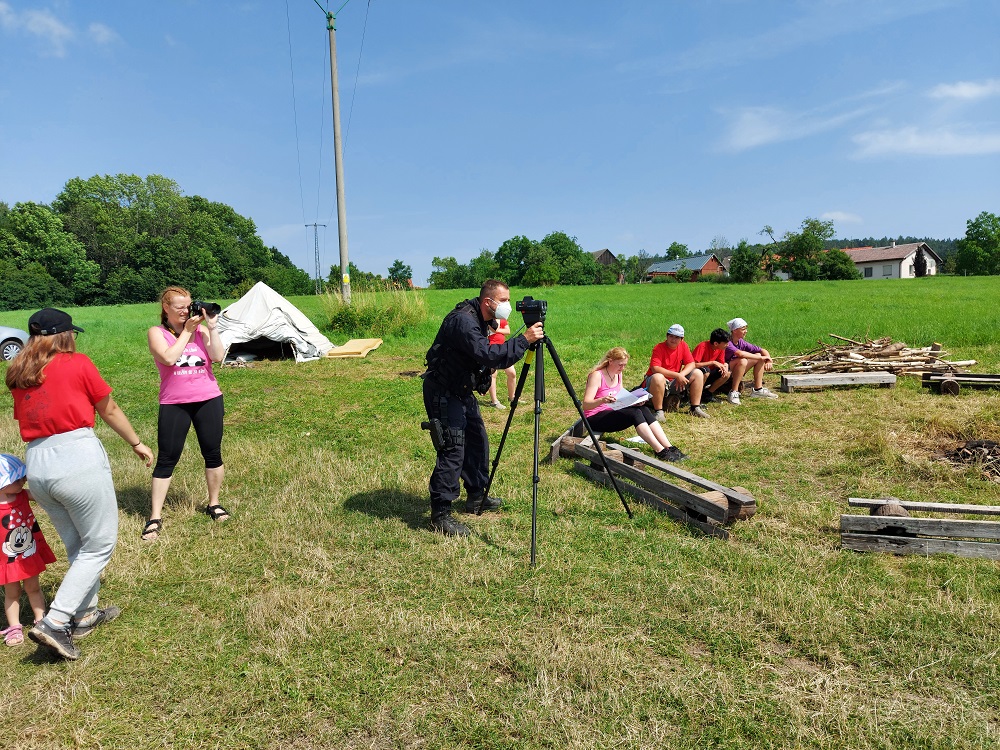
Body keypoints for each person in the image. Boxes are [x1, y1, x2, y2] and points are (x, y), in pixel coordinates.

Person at [6, 308, 154, 660]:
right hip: (76, 457)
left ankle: (85, 614)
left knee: (77, 542)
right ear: (64, 335)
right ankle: (55, 622)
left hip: (38, 461)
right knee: (99, 544)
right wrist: (135, 442)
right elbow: (109, 408)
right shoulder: (77, 362)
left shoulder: (18, 372)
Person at [422, 279, 544, 537]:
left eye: (509, 300)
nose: (508, 305)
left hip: (462, 389)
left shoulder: (482, 317)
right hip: (443, 389)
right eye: (504, 301)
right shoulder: (464, 321)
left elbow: (486, 355)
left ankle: (477, 496)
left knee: (477, 441)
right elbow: (489, 355)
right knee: (453, 447)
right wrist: (523, 340)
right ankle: (440, 513)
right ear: (488, 301)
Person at [144, 286, 228, 542]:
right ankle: (155, 516)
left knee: (212, 452)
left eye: (188, 305)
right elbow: (169, 358)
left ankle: (214, 503)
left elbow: (218, 357)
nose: (185, 310)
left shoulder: (201, 331)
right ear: (166, 308)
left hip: (208, 399)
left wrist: (211, 328)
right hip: (175, 402)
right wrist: (186, 334)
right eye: (179, 306)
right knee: (167, 458)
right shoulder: (156, 333)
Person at [582, 348, 686, 462]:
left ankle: (669, 447)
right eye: (620, 365)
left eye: (624, 365)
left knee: (643, 409)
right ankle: (659, 450)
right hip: (594, 418)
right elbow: (586, 405)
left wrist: (634, 401)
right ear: (610, 361)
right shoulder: (597, 376)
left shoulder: (618, 373)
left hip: (611, 411)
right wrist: (602, 400)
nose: (622, 368)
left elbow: (620, 395)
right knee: (634, 413)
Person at [0, 454, 57, 647]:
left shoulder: (23, 494)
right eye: (17, 479)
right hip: (6, 559)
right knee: (12, 592)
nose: (23, 480)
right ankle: (14, 626)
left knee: (33, 587)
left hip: (27, 554)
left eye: (23, 476)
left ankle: (41, 620)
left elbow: (43, 495)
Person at [642, 324, 710, 420]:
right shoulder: (659, 348)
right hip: (655, 382)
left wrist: (681, 375)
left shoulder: (683, 346)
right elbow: (655, 369)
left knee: (698, 373)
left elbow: (691, 363)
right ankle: (659, 411)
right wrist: (677, 375)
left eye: (677, 337)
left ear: (682, 339)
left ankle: (695, 407)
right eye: (671, 336)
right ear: (667, 336)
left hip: (674, 382)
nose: (673, 339)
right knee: (658, 377)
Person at [724, 317, 779, 404]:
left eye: (746, 329)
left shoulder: (741, 342)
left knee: (757, 355)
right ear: (734, 330)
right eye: (743, 329)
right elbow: (740, 354)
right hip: (726, 372)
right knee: (743, 360)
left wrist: (768, 360)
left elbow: (761, 350)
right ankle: (734, 392)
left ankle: (758, 389)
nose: (746, 331)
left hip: (737, 369)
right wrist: (761, 358)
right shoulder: (728, 343)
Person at [692, 328, 732, 403]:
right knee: (706, 371)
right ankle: (696, 396)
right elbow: (693, 365)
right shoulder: (702, 346)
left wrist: (725, 367)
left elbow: (721, 362)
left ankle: (707, 393)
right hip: (699, 375)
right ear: (716, 343)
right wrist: (712, 362)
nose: (728, 345)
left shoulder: (721, 348)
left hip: (709, 374)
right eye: (726, 343)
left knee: (727, 373)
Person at [486, 317, 517, 410]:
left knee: (512, 373)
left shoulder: (502, 319)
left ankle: (512, 397)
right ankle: (494, 401)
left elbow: (508, 331)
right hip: (491, 350)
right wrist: (498, 330)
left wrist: (496, 330)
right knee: (493, 375)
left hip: (503, 349)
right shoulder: (487, 320)